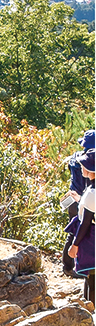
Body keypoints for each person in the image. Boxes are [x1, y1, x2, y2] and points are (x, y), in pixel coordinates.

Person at [62, 129, 94, 278]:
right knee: (84, 231)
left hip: (71, 197)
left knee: (72, 231)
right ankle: (78, 267)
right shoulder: (91, 161)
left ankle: (67, 266)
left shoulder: (75, 158)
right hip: (83, 199)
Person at [66, 148, 95, 303]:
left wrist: (75, 244)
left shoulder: (92, 193)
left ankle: (92, 314)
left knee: (92, 279)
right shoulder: (91, 189)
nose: (81, 168)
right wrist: (79, 200)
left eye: (84, 165)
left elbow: (86, 223)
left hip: (91, 240)